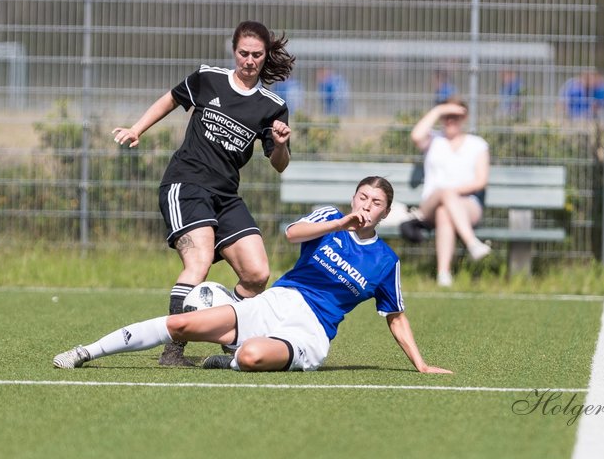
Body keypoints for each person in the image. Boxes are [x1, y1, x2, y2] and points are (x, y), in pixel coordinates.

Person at [53, 176, 451, 375]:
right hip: (274, 303)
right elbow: (292, 233)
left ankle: (225, 359)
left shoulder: (385, 261)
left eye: (376, 203)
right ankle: (87, 351)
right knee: (181, 323)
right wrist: (339, 223)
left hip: (309, 330)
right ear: (353, 199)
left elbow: (395, 316)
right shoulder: (330, 217)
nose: (366, 205)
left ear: (385, 212)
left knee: (251, 355)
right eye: (362, 197)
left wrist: (421, 364)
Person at [112, 21, 295, 366]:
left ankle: (228, 332)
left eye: (257, 55)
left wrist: (282, 144)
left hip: (225, 196)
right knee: (198, 262)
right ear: (233, 51)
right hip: (186, 184)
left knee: (257, 273)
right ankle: (173, 351)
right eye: (244, 53)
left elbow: (280, 164)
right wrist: (137, 128)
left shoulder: (272, 106)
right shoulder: (208, 78)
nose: (250, 61)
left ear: (266, 55)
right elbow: (172, 98)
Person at [401, 97, 492, 287]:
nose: (450, 120)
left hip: (467, 203)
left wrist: (452, 192)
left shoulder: (478, 144)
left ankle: (443, 274)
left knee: (445, 212)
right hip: (430, 204)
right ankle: (472, 243)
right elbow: (416, 135)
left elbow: (481, 181)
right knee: (444, 195)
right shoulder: (433, 140)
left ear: (464, 118)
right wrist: (439, 110)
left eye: (455, 116)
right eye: (446, 116)